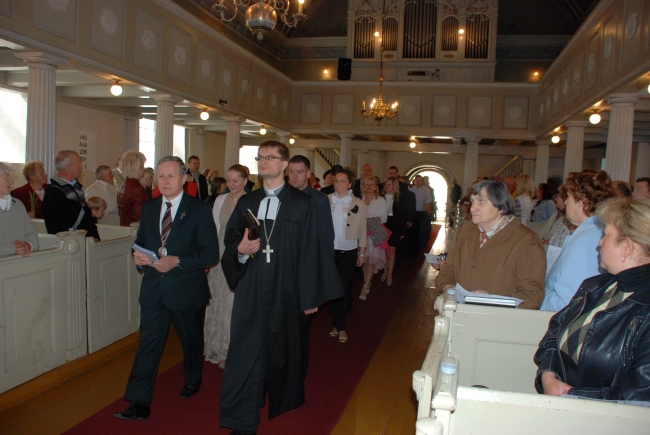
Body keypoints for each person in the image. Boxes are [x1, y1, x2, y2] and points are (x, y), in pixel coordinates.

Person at [219, 141, 343, 435]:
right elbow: (231, 239)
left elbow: (313, 250)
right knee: (244, 351)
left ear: (284, 164)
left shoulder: (303, 203)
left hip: (287, 287)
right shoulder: (248, 201)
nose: (263, 161)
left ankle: (282, 397)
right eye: (260, 157)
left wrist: (310, 296)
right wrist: (240, 251)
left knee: (282, 349)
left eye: (270, 157)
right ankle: (242, 420)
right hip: (251, 286)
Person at [114, 156, 219, 421]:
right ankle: (139, 402)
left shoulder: (199, 209)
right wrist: (138, 258)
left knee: (191, 340)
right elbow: (140, 243)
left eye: (171, 176)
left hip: (185, 288)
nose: (165, 181)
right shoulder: (150, 208)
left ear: (184, 179)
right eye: (161, 176)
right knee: (148, 344)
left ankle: (193, 378)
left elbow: (210, 253)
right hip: (154, 288)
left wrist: (178, 261)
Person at [535, 197, 650, 401]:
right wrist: (548, 375)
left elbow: (638, 395)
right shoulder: (596, 286)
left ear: (627, 247)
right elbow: (554, 333)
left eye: (606, 235)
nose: (599, 242)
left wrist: (570, 395)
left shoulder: (645, 309)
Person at [435, 180, 546, 309]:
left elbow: (532, 295)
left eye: (481, 201)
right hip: (459, 313)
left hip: (497, 318)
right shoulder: (464, 230)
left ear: (501, 206)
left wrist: (491, 302)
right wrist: (449, 291)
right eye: (472, 201)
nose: (472, 208)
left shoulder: (527, 241)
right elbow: (448, 269)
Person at [541, 170, 616, 311]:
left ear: (582, 202)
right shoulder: (596, 230)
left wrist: (539, 295)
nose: (565, 201)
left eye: (569, 196)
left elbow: (567, 303)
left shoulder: (584, 243)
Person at [204, 165, 248, 369]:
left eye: (235, 181)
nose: (231, 184)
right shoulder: (220, 200)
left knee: (233, 303)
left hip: (240, 254)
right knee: (217, 302)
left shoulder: (251, 201)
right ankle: (218, 346)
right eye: (228, 180)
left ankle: (232, 349)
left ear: (245, 181)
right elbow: (214, 229)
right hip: (220, 255)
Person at [328, 168, 367, 343]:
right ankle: (336, 324)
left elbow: (363, 230)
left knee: (341, 288)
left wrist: (362, 253)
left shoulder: (358, 203)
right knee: (332, 288)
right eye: (336, 180)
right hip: (329, 252)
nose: (339, 183)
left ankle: (340, 326)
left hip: (348, 251)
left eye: (343, 181)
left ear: (350, 184)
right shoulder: (326, 200)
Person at [41, 150, 100, 240]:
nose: (81, 168)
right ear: (69, 167)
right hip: (71, 243)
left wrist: (94, 237)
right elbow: (59, 227)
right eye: (79, 164)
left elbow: (86, 217)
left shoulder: (76, 188)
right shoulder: (53, 193)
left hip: (85, 240)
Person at [288, 155, 335, 244]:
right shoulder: (284, 198)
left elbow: (327, 234)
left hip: (310, 249)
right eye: (291, 172)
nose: (294, 176)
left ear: (308, 174)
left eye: (299, 172)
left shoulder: (320, 199)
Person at [0, 162, 38, 257]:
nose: (11, 182)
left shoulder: (17, 204)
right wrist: (12, 248)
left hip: (21, 263)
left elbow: (31, 234)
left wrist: (28, 245)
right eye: (6, 177)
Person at [360, 175, 389, 300]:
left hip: (373, 234)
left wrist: (369, 222)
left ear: (376, 187)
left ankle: (365, 286)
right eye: (367, 184)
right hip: (361, 234)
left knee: (370, 261)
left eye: (372, 184)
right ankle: (367, 281)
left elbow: (384, 218)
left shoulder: (380, 200)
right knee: (363, 261)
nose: (369, 186)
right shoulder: (360, 199)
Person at [381, 177, 406, 286]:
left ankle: (390, 274)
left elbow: (402, 215)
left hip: (395, 225)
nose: (387, 186)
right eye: (385, 184)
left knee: (392, 250)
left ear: (394, 186)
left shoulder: (399, 198)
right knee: (384, 250)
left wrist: (402, 232)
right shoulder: (381, 197)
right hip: (383, 224)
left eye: (389, 184)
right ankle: (385, 270)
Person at [117, 150, 149, 226]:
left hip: (126, 227)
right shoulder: (136, 188)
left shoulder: (124, 184)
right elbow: (141, 216)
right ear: (134, 168)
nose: (144, 169)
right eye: (142, 166)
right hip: (135, 229)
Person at [409, 174, 432, 249]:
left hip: (421, 213)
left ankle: (419, 245)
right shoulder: (410, 190)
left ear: (422, 182)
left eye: (419, 180)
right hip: (412, 212)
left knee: (420, 231)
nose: (418, 181)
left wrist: (427, 216)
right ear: (414, 181)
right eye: (416, 180)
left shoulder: (426, 190)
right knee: (412, 231)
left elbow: (428, 204)